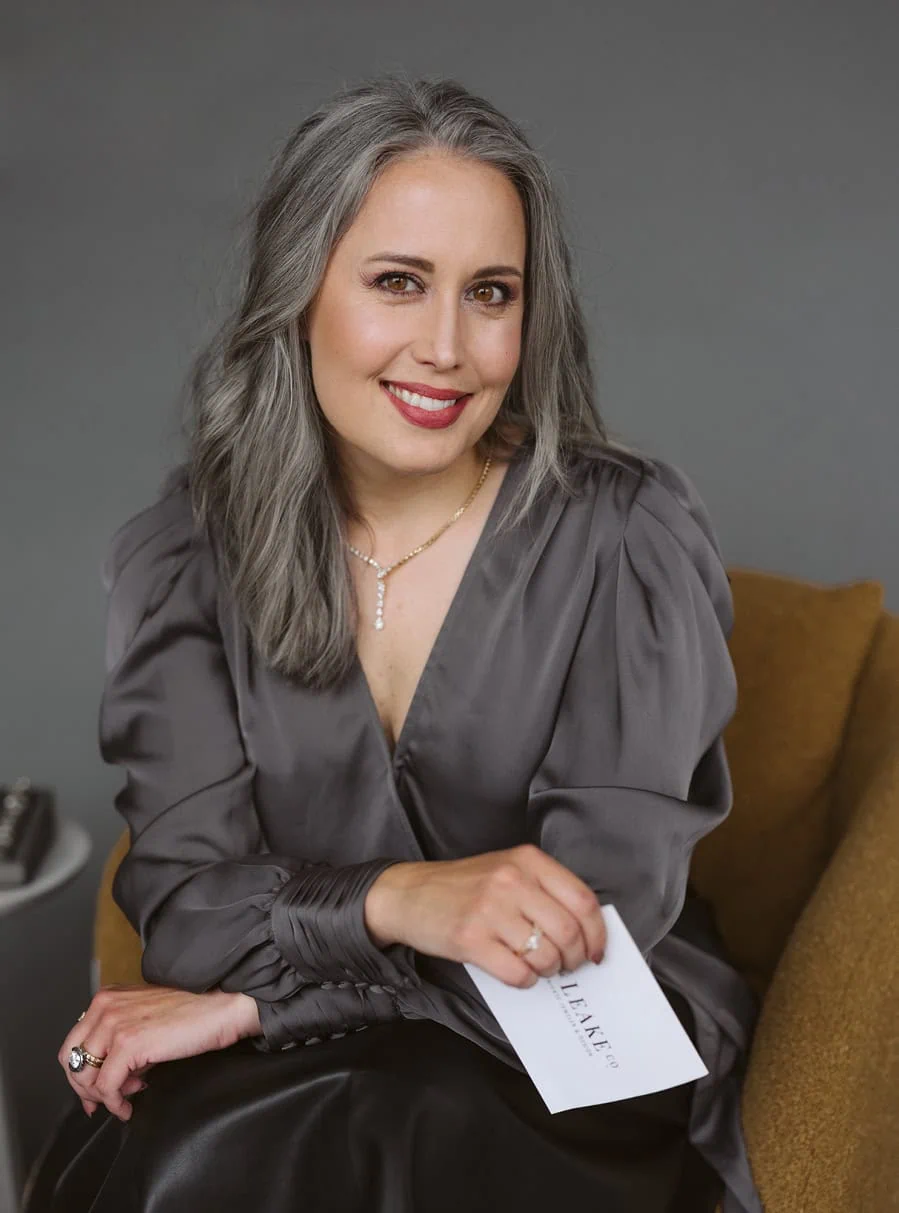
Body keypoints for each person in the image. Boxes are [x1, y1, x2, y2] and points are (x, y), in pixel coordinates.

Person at [43, 74, 763, 1213]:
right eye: (397, 282)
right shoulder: (185, 550)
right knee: (206, 1133)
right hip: (302, 1070)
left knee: (365, 1116)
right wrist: (397, 899)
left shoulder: (626, 534)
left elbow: (585, 926)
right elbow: (188, 910)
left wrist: (264, 1002)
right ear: (298, 295)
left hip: (572, 1048)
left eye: (490, 293)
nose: (446, 346)